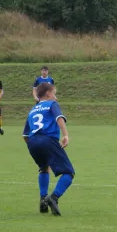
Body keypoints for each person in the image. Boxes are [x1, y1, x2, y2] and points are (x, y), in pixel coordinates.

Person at [22, 83, 75, 216]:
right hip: (48, 139)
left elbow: (25, 135)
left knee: (44, 168)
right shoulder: (51, 104)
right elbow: (59, 118)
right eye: (54, 93)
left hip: (32, 143)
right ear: (47, 94)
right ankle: (54, 197)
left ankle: (43, 199)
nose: (56, 98)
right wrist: (66, 135)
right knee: (69, 172)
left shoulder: (32, 110)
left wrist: (35, 144)